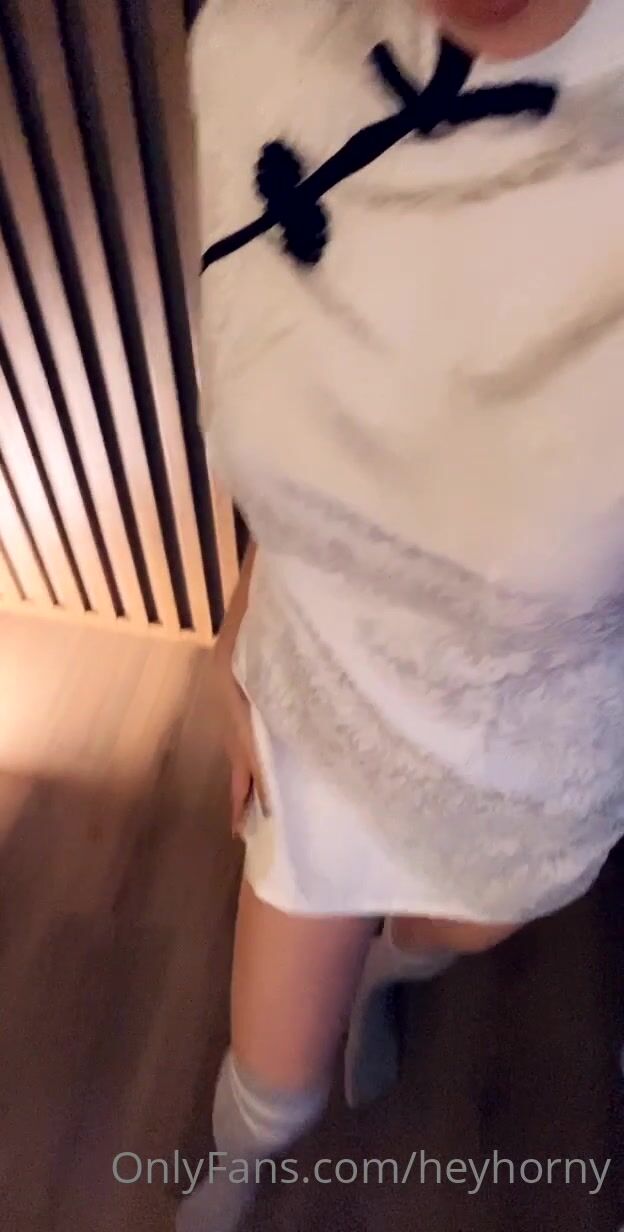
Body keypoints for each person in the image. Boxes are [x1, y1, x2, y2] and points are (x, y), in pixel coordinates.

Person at [178, 1, 624, 1227]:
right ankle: (240, 1158)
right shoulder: (264, 40)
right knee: (275, 1077)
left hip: (532, 750)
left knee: (453, 932)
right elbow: (299, 403)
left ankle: (386, 971)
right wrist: (246, 605)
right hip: (323, 693)